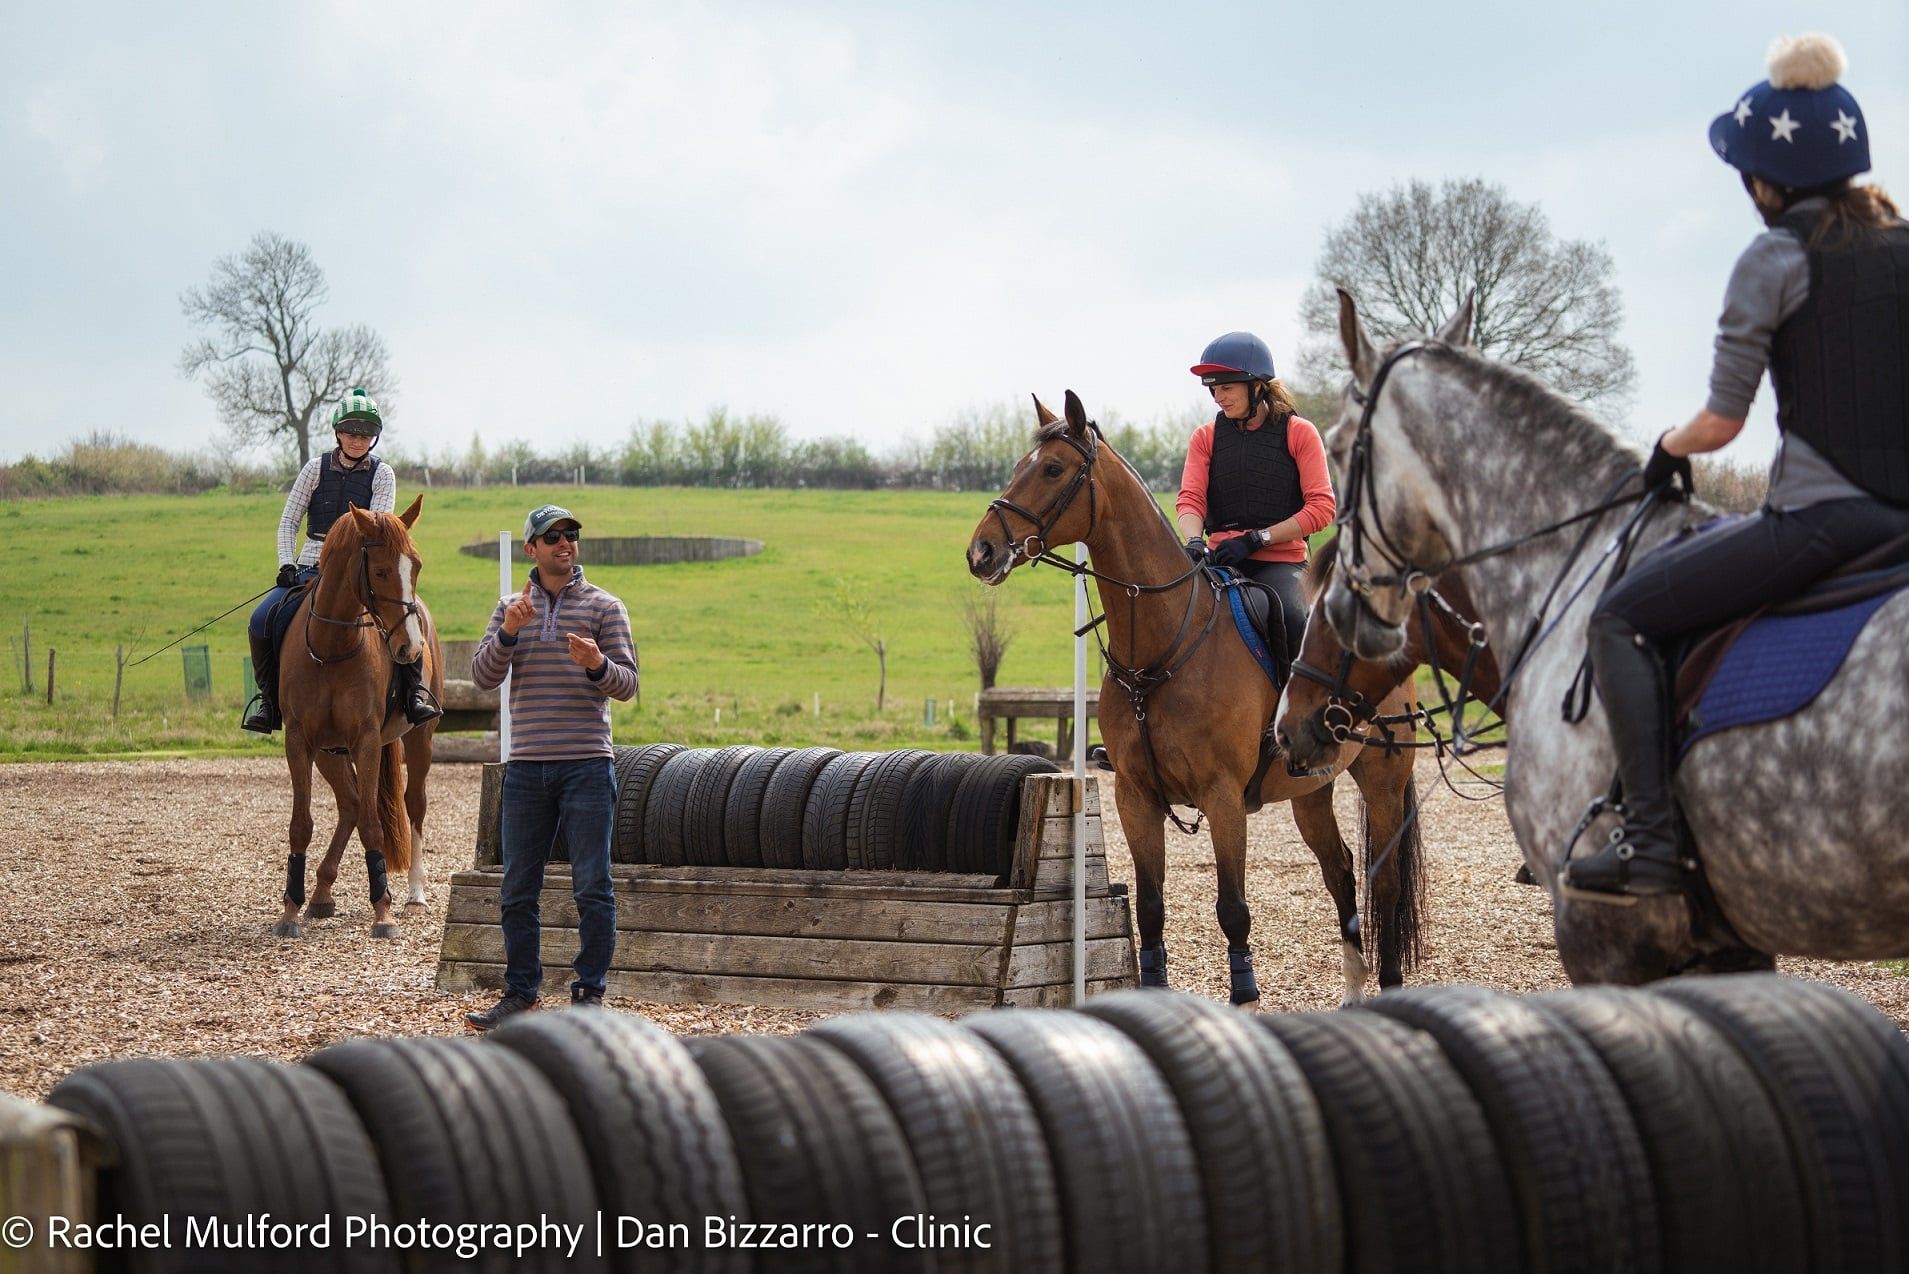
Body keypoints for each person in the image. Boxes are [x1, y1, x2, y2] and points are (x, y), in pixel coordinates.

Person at [1566, 33, 1909, 898]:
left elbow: (1722, 423)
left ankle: (1650, 842)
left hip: (1828, 518)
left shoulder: (1773, 259)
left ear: (1766, 181)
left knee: (1621, 616)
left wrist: (1664, 451)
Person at [465, 504, 639, 1029]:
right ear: (531, 549)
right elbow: (481, 677)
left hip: (587, 764)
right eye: (553, 537)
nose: (565, 544)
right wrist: (509, 635)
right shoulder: (508, 607)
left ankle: (588, 995)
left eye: (571, 535)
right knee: (518, 887)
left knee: (592, 885)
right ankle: (521, 992)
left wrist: (597, 666)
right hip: (526, 770)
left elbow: (628, 685)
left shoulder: (607, 607)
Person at [241, 387, 440, 734]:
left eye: (366, 435)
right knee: (261, 620)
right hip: (309, 568)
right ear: (338, 433)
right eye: (351, 433)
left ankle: (413, 696)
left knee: (407, 618)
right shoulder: (313, 469)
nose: (358, 441)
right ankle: (270, 703)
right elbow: (289, 520)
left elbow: (378, 527)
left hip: (360, 572)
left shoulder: (383, 474)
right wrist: (287, 564)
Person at [1176, 331, 1337, 670]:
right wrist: (1193, 539)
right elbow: (1190, 499)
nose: (1218, 397)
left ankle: (1302, 715)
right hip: (1220, 560)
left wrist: (1256, 539)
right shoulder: (1205, 437)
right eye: (1213, 389)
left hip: (1281, 564)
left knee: (1296, 617)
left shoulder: (1299, 432)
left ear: (1256, 385)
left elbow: (1322, 508)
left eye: (1226, 388)